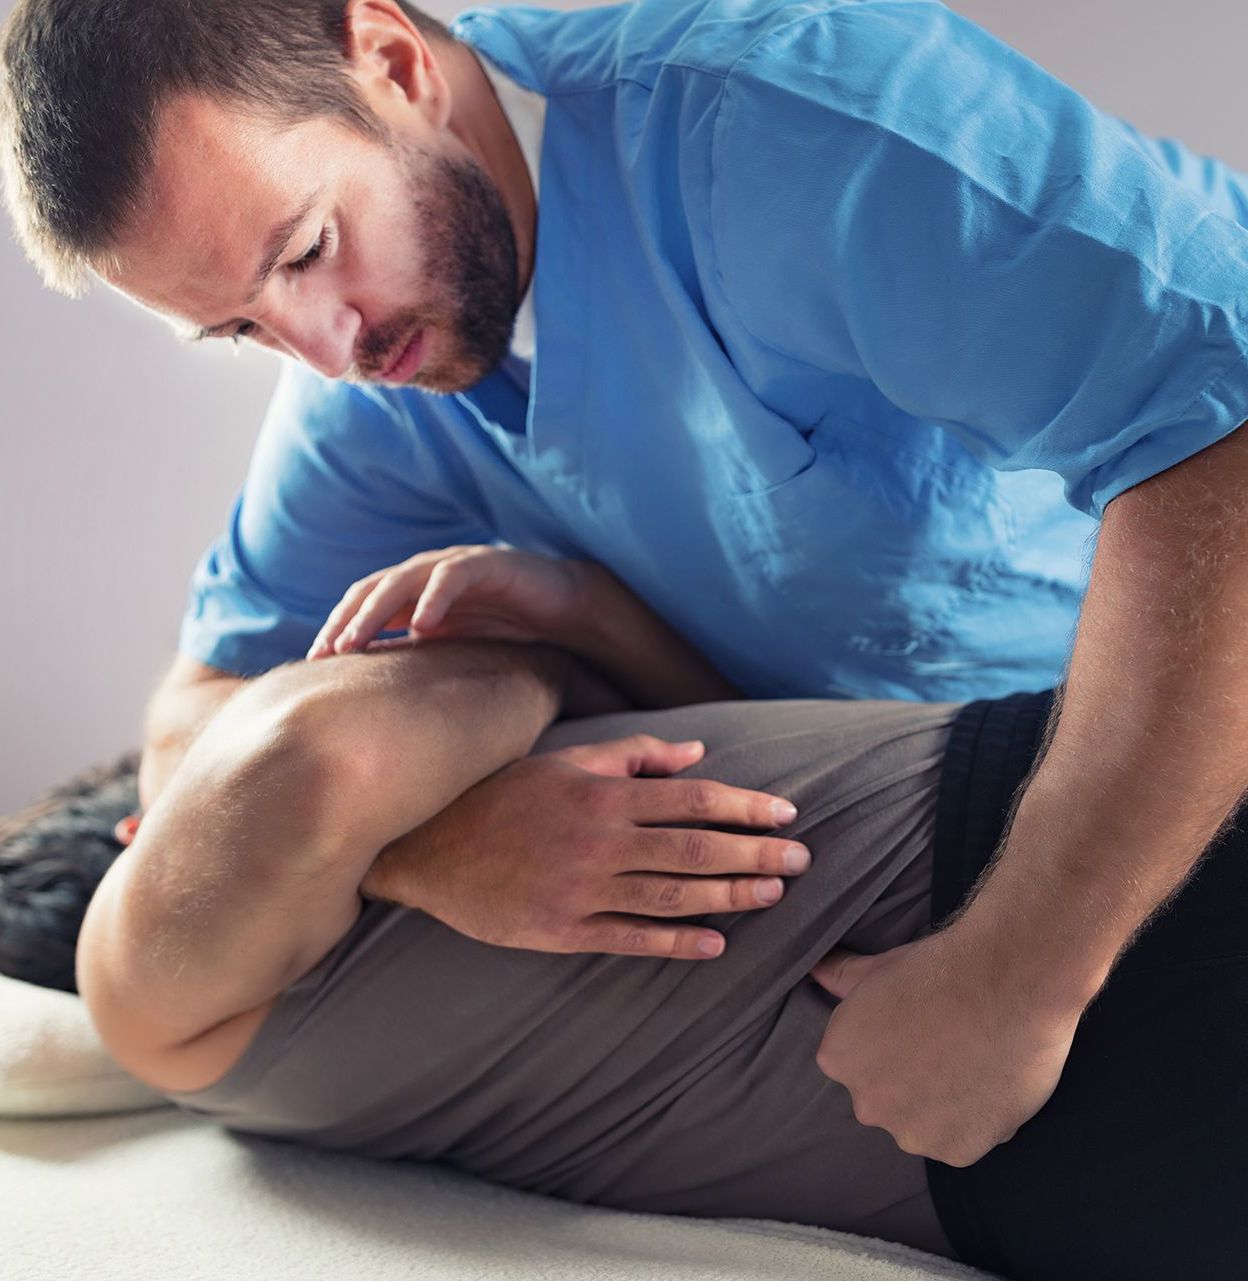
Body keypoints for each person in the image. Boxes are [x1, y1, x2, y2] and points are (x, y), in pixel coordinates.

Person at [7, 0, 1248, 1172]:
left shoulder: (787, 125)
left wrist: (1025, 970)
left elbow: (1227, 442)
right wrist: (429, 847)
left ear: (390, 61)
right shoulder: (374, 388)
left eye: (310, 250)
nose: (323, 350)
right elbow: (194, 727)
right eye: (241, 328)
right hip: (901, 826)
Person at [59, 546, 1245, 1281]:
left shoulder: (194, 1011)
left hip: (1059, 881)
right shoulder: (177, 1008)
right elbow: (310, 759)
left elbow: (320, 754)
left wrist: (528, 686)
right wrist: (429, 822)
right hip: (1044, 1153)